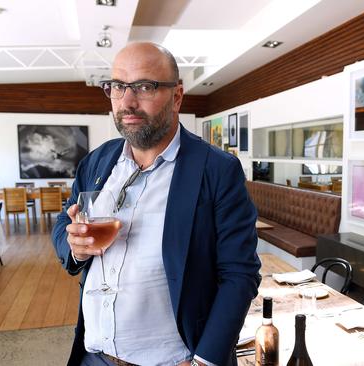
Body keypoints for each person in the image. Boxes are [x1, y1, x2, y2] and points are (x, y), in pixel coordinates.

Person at [51, 42, 261, 366]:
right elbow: (64, 221)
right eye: (118, 86)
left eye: (144, 87)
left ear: (177, 96)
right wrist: (75, 247)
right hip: (94, 356)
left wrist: (206, 360)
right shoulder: (97, 161)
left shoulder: (217, 170)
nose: (127, 101)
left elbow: (239, 273)